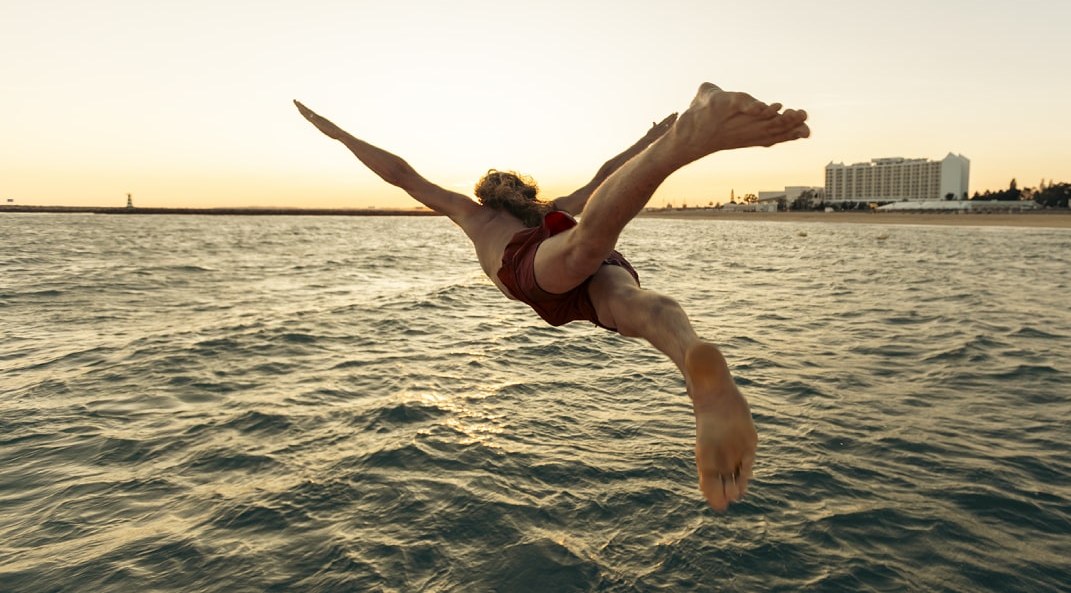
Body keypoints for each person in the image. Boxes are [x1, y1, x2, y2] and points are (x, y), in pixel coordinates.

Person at [295, 83, 809, 511]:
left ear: (485, 193)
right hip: (583, 279)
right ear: (522, 188)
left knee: (585, 246)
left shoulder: (475, 215)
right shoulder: (550, 207)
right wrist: (646, 135)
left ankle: (684, 142)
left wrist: (338, 134)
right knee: (643, 308)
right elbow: (608, 171)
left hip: (534, 272)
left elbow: (401, 174)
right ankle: (694, 366)